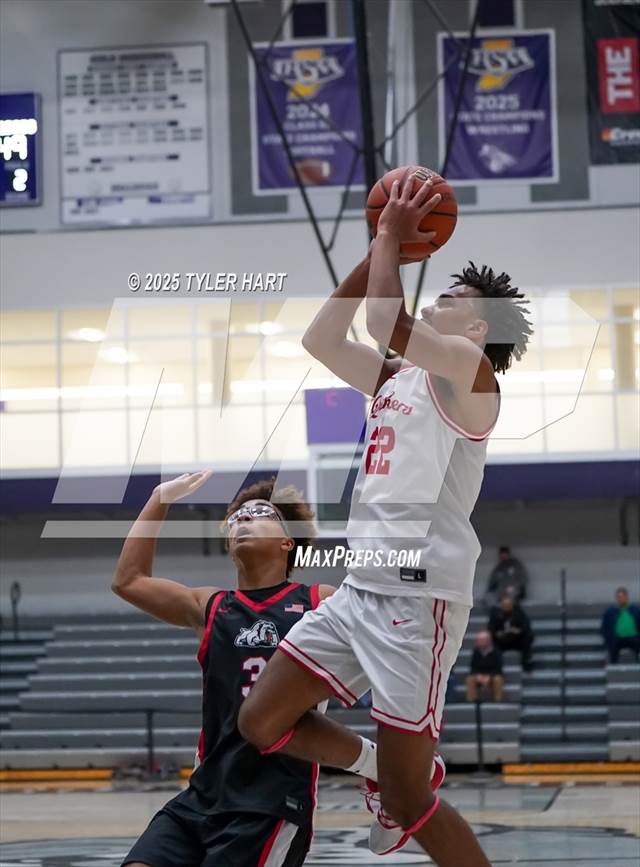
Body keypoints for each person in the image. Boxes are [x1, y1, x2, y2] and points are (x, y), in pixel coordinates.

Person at [236, 169, 533, 866]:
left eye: (457, 294)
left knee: (410, 808)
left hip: (417, 602)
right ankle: (378, 766)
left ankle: (405, 784)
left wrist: (391, 238)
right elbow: (322, 336)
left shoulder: (470, 373)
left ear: (479, 325)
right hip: (362, 586)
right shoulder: (398, 375)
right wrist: (379, 251)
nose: (444, 292)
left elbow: (379, 320)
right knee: (260, 719)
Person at [114, 471, 342, 867]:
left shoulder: (319, 601)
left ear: (288, 542)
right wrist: (159, 497)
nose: (244, 520)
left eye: (259, 514)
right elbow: (128, 581)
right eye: (238, 518)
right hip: (203, 796)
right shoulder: (213, 607)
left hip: (271, 801)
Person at [488, 593, 534, 671]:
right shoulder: (495, 613)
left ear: (512, 605)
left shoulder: (519, 612)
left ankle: (526, 662)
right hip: (501, 640)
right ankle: (496, 667)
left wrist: (518, 630)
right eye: (504, 606)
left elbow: (526, 625)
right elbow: (491, 628)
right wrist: (497, 633)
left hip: (516, 639)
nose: (506, 608)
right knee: (490, 640)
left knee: (528, 637)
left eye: (508, 606)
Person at [601, 587, 640, 664]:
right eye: (618, 597)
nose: (620, 599)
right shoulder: (611, 612)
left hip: (634, 638)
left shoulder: (635, 610)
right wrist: (607, 638)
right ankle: (613, 667)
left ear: (626, 597)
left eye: (622, 596)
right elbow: (604, 627)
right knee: (612, 646)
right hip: (617, 638)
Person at [466, 630, 503, 702]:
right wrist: (478, 676)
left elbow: (498, 669)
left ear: (488, 641)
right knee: (470, 679)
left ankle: (497, 701)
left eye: (481, 640)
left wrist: (489, 677)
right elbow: (473, 667)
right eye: (478, 640)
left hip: (492, 676)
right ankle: (472, 702)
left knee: (498, 679)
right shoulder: (476, 652)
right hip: (479, 676)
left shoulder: (496, 652)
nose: (479, 642)